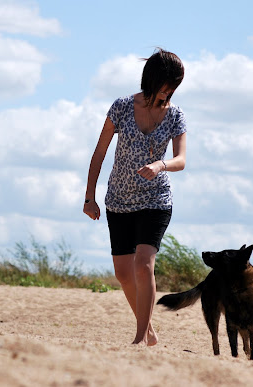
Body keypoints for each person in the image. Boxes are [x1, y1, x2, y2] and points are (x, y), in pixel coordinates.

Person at [83, 48, 187, 346]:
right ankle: (149, 329)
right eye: (168, 84)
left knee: (143, 264)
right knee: (124, 274)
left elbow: (181, 159)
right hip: (118, 200)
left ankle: (139, 338)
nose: (170, 91)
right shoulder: (121, 107)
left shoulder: (176, 115)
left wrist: (160, 165)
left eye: (175, 86)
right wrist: (89, 197)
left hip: (155, 200)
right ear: (153, 79)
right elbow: (99, 152)